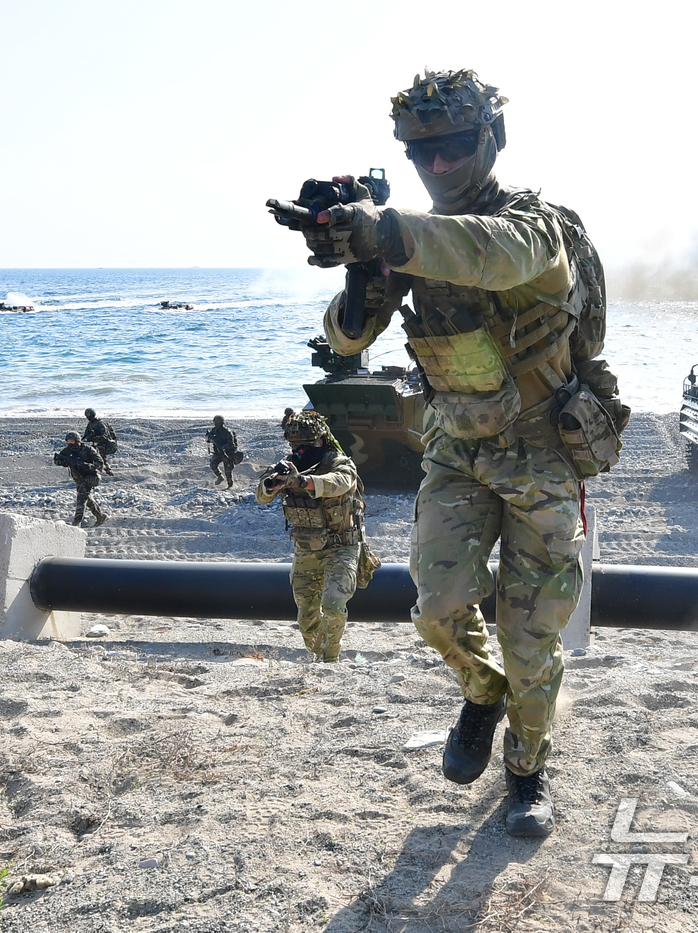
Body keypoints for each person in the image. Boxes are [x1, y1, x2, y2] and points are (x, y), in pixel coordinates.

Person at [303, 70, 627, 837]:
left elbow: (493, 257)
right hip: (456, 449)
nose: (438, 167)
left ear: (490, 142)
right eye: (422, 154)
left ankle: (528, 770)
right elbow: (348, 337)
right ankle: (481, 695)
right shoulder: (415, 237)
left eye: (453, 148)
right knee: (439, 609)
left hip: (543, 452)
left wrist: (389, 231)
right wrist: (362, 269)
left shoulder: (534, 225)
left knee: (532, 634)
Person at [255, 412, 374, 663]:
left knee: (332, 603)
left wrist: (303, 481)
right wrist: (271, 485)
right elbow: (262, 496)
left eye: (306, 446)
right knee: (306, 616)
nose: (299, 452)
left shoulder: (341, 463)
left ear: (321, 441)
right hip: (307, 549)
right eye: (295, 447)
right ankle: (316, 654)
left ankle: (331, 657)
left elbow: (339, 483)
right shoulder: (289, 465)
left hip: (342, 547)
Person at [54, 432, 107, 527]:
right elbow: (58, 460)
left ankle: (77, 521)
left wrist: (88, 465)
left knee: (81, 498)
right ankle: (100, 516)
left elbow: (99, 462)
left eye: (72, 441)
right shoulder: (67, 451)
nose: (70, 443)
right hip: (78, 478)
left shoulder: (88, 450)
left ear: (77, 441)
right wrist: (62, 461)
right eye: (68, 441)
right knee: (87, 498)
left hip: (90, 477)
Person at [205, 415, 241, 487]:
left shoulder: (227, 432)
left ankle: (230, 485)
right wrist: (209, 439)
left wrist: (223, 447)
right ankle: (220, 477)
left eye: (218, 423)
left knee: (228, 471)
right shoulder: (214, 430)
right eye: (216, 423)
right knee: (213, 464)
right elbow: (208, 440)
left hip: (227, 453)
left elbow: (232, 444)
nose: (217, 424)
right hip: (218, 453)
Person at [82, 408, 117, 475]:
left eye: (89, 415)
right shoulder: (90, 424)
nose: (88, 417)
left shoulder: (100, 423)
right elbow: (86, 435)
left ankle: (106, 470)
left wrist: (95, 437)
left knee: (100, 453)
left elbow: (104, 436)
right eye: (87, 415)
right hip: (97, 443)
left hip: (106, 444)